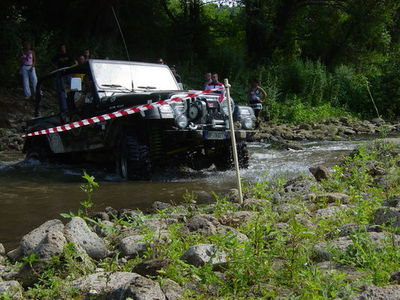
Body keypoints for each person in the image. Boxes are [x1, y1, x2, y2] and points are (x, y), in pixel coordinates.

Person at [52, 45, 75, 113]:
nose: (63, 49)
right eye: (62, 48)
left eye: (64, 48)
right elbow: (52, 61)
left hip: (69, 72)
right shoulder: (58, 55)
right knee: (62, 90)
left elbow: (74, 62)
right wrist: (56, 67)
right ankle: (65, 109)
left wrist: (71, 68)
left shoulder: (68, 55)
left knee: (74, 89)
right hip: (61, 72)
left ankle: (73, 105)